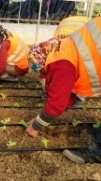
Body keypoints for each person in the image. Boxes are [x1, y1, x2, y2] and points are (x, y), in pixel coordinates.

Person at [26, 17, 101, 164]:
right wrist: (41, 118)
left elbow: (56, 104)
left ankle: (98, 152)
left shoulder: (60, 64)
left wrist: (35, 126)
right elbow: (67, 97)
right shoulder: (62, 47)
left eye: (40, 69)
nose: (41, 73)